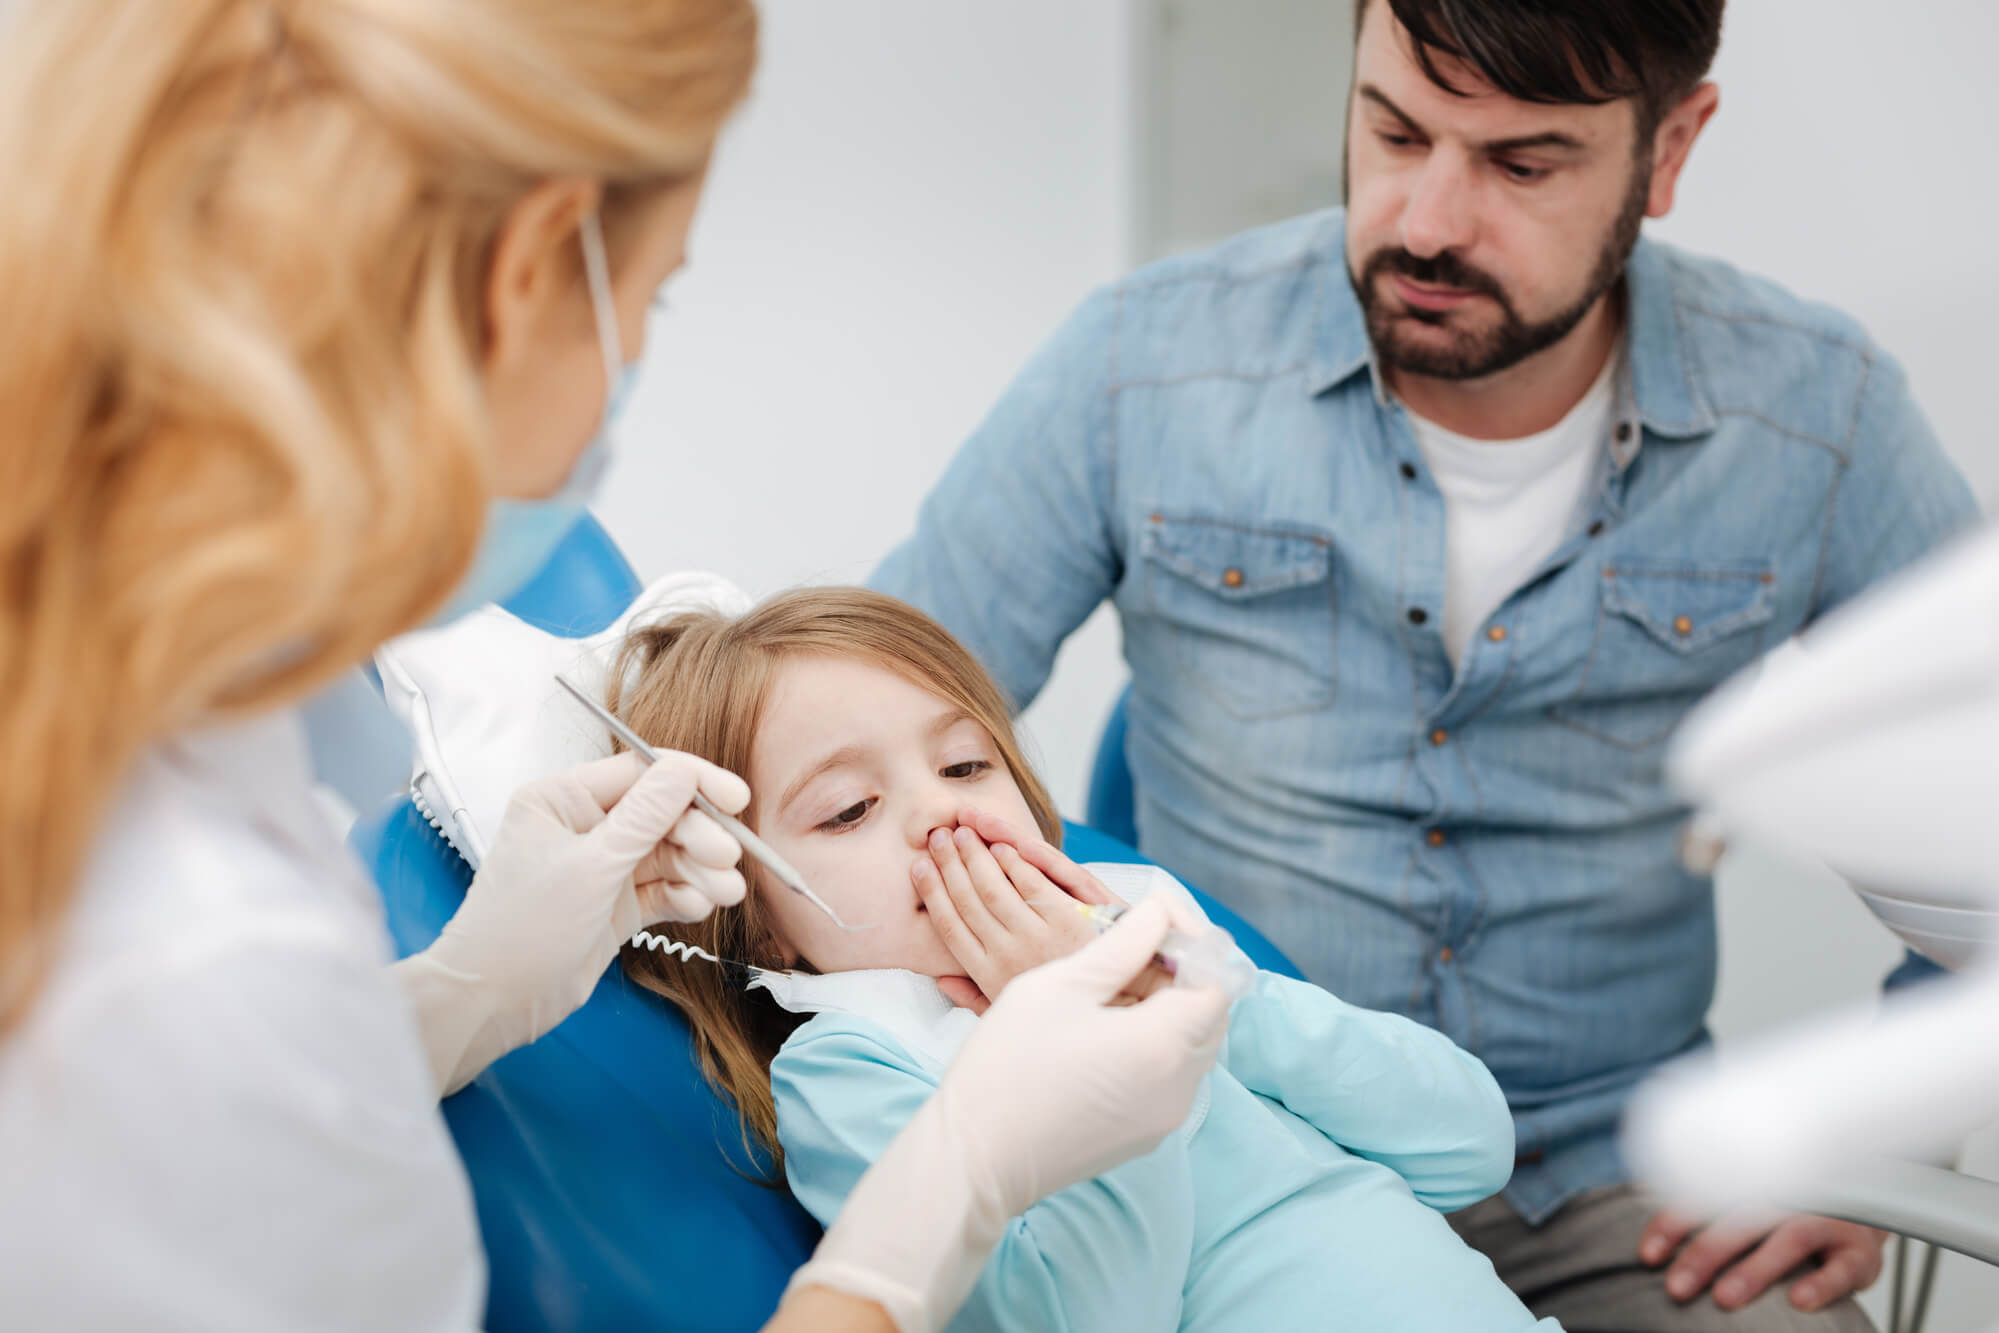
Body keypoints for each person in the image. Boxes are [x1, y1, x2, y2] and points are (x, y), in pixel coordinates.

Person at [0, 2, 1229, 1329]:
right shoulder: (198, 948)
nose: (940, 816)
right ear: (529, 273)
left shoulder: (182, 770)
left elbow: (212, 1131)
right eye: (651, 293)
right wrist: (948, 1187)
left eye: (959, 758)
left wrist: (461, 995)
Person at [870, 1, 1984, 1328]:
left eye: (1520, 164)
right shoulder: (1139, 370)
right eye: (1393, 131)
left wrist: (1872, 1142)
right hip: (1235, 1146)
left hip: (1613, 1187)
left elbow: (1980, 809)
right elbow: (856, 722)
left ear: (1668, 147)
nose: (1426, 222)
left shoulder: (1815, 416)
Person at [607, 586, 1558, 1332]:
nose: (943, 812)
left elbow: (1470, 1142)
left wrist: (1189, 988)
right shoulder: (856, 1064)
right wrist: (1089, 1049)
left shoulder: (1138, 918)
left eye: (967, 764)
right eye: (851, 808)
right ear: (764, 924)